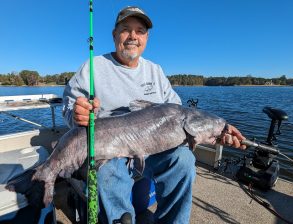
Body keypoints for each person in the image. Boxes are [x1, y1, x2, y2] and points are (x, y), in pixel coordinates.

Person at [63, 6, 246, 224]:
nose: (133, 36)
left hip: (153, 151)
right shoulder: (93, 67)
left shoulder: (155, 71)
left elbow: (181, 114)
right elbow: (70, 107)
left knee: (184, 159)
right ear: (114, 35)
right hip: (111, 152)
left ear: (146, 37)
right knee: (105, 173)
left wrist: (219, 130)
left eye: (139, 30)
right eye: (125, 29)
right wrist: (77, 114)